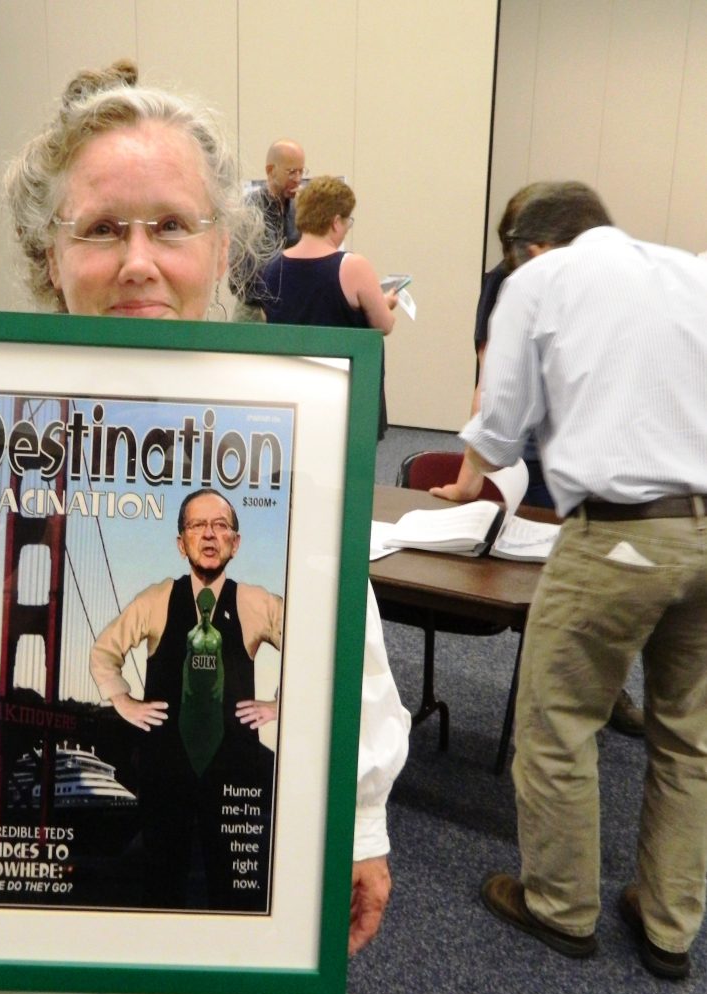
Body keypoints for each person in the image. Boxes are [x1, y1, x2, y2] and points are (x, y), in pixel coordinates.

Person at [0, 61, 410, 994]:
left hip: (266, 889)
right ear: (48, 252)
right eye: (101, 228)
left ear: (222, 245)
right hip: (82, 933)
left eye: (171, 226)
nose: (140, 260)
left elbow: (344, 638)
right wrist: (113, 700)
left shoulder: (293, 418)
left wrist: (361, 818)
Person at [462, 181, 707, 981]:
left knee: (557, 719)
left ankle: (561, 905)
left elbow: (500, 432)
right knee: (689, 738)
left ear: (528, 247)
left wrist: (477, 468)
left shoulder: (540, 280)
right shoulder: (689, 271)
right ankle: (669, 924)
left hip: (619, 533)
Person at [431, 184, 645, 737]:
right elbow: (491, 384)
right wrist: (468, 478)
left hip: (599, 454)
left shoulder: (610, 278)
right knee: (539, 574)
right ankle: (557, 684)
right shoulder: (508, 283)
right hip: (537, 446)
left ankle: (599, 686)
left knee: (596, 583)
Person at [90, 487, 281, 911]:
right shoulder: (156, 599)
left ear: (235, 542)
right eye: (197, 526)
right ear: (181, 544)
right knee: (161, 882)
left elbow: (314, 646)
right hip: (166, 766)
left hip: (233, 766)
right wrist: (122, 699)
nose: (209, 535)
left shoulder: (256, 602)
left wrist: (279, 705)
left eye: (220, 525)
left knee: (235, 887)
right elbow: (104, 652)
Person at [258, 175, 397, 435]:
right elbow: (384, 325)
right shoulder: (353, 266)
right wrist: (386, 302)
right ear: (335, 222)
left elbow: (271, 323)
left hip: (291, 396)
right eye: (347, 221)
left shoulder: (272, 269)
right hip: (348, 398)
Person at [229, 137, 306, 319]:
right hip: (254, 311)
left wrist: (308, 216)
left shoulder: (296, 207)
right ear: (270, 171)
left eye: (301, 172)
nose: (298, 179)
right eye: (291, 172)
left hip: (286, 309)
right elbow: (251, 269)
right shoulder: (250, 208)